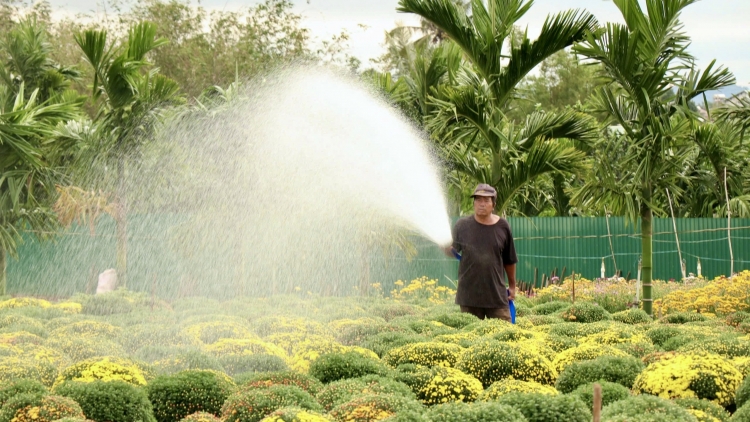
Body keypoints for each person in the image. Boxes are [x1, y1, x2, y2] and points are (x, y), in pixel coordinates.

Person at [445, 183, 518, 321]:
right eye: (478, 199)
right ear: (474, 203)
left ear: (493, 204)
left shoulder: (503, 226)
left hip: (496, 296)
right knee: (470, 337)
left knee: (504, 336)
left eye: (486, 200)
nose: (481, 204)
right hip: (469, 297)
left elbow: (510, 260)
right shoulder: (462, 225)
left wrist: (512, 286)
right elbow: (452, 251)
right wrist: (445, 248)